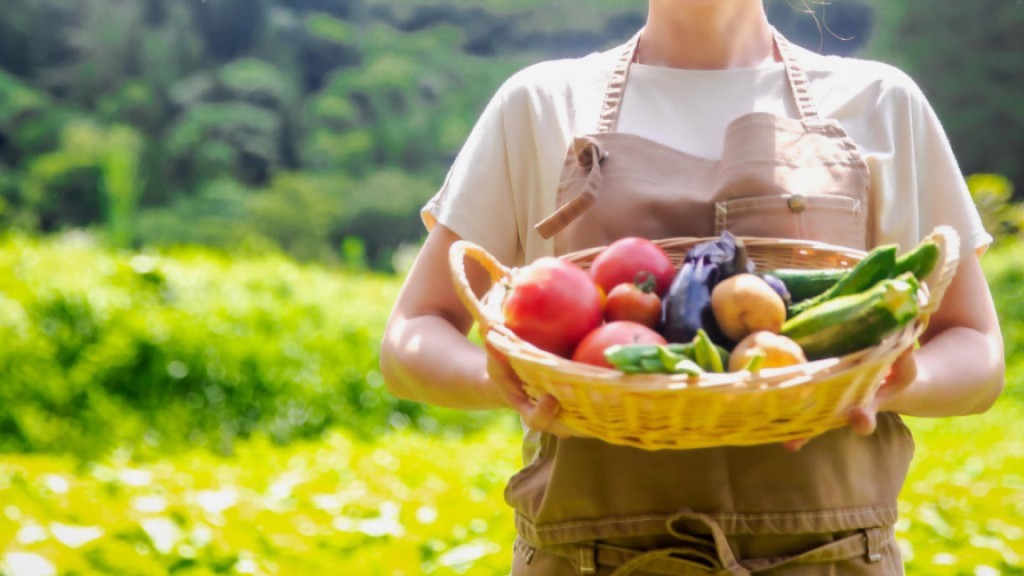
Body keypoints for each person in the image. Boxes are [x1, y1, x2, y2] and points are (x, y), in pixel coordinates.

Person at [380, 1, 1006, 573]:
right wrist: (494, 378)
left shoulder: (879, 102)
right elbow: (412, 335)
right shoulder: (542, 103)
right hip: (588, 558)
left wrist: (907, 380)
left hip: (832, 558)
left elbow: (976, 346)